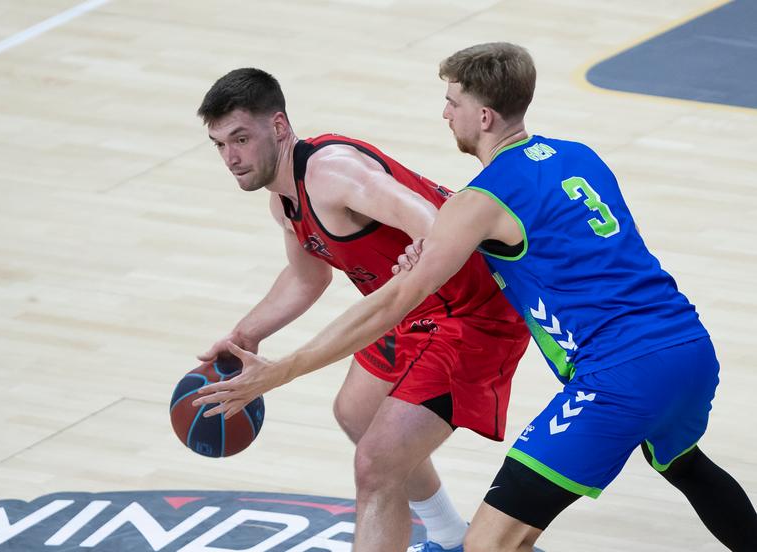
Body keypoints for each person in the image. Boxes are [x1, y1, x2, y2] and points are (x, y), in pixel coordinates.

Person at [195, 45, 757, 552]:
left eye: (452, 102)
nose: (445, 114)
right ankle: (442, 533)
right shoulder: (578, 156)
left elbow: (400, 293)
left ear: (482, 116)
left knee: (487, 544)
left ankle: (450, 537)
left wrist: (284, 370)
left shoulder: (476, 201)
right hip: (688, 346)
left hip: (614, 375)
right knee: (686, 466)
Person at [192, 67, 530, 552]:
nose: (231, 157)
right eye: (220, 144)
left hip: (471, 312)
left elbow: (432, 219)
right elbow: (307, 276)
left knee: (376, 466)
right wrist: (247, 334)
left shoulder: (332, 174)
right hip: (413, 309)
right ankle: (451, 537)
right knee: (355, 412)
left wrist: (423, 242)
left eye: (241, 139)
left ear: (280, 127)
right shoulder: (285, 201)